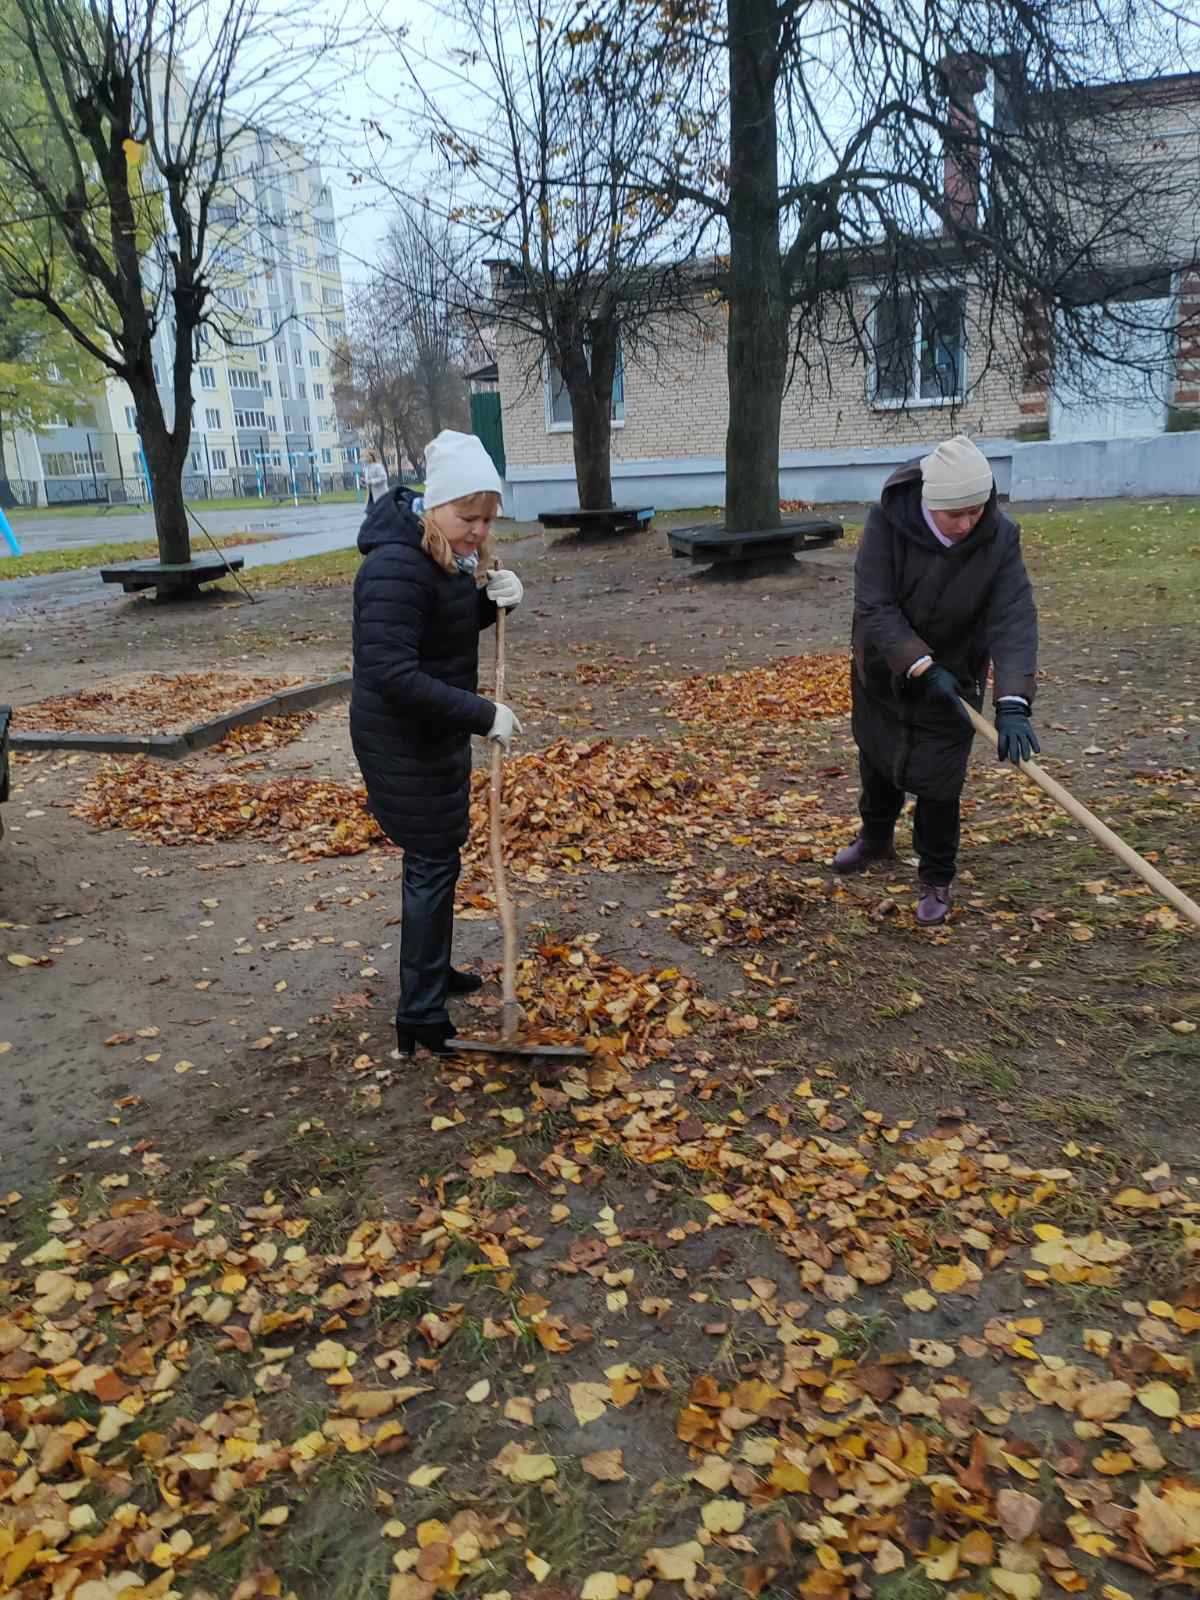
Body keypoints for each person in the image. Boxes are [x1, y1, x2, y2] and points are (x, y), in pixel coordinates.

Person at [350, 430, 524, 1056]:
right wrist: (482, 713)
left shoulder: (442, 557)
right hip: (402, 738)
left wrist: (492, 604)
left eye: (487, 519)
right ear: (436, 505)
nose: (478, 531)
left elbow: (440, 630)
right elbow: (392, 674)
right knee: (431, 860)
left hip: (433, 729)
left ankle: (433, 971)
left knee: (440, 856)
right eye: (467, 517)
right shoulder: (394, 566)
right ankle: (419, 1014)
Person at [833, 434, 1039, 926]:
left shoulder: (999, 538)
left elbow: (1013, 618)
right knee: (878, 760)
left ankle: (936, 877)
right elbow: (875, 605)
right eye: (955, 514)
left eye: (976, 510)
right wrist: (919, 665)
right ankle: (876, 838)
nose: (967, 524)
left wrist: (1013, 702)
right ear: (931, 503)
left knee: (940, 782)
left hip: (956, 675)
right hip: (885, 667)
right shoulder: (888, 523)